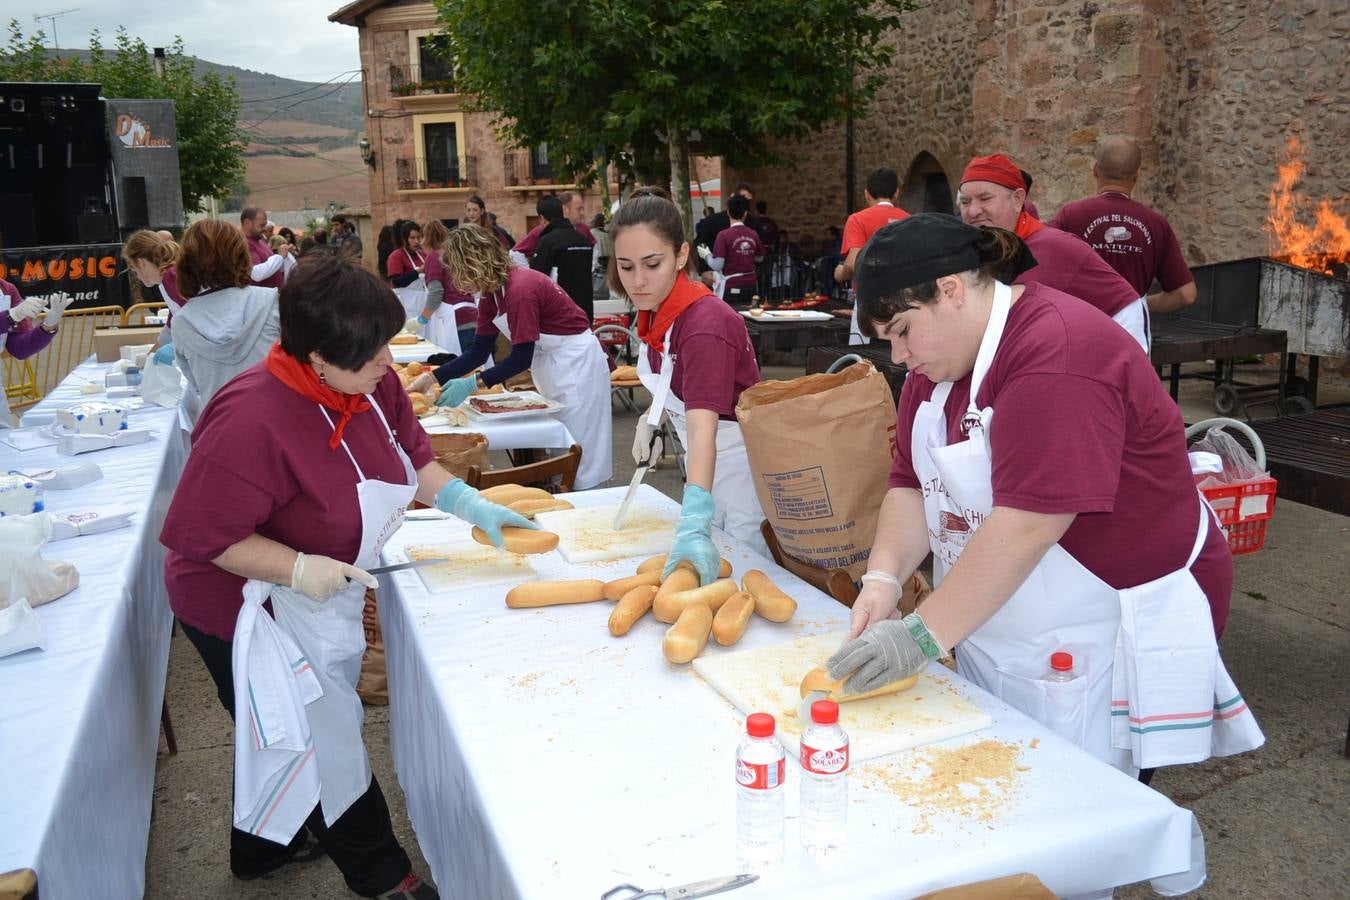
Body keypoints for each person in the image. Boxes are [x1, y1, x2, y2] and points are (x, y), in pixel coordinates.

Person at [832, 213, 1262, 779]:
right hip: (1008, 605)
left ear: (951, 290)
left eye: (903, 332)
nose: (898, 356)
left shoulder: (1057, 354)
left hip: (1108, 616)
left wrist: (921, 635)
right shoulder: (932, 371)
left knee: (1085, 793)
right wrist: (884, 578)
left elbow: (1030, 523)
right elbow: (910, 483)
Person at [160, 253, 534, 897]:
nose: (388, 361)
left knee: (276, 731)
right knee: (320, 738)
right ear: (315, 357)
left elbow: (414, 457)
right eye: (371, 353)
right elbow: (206, 535)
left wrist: (468, 503)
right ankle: (386, 877)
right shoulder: (249, 417)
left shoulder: (374, 383)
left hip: (319, 584)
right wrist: (298, 566)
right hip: (238, 600)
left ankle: (261, 850)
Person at [612, 187, 767, 569]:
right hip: (705, 465)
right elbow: (676, 381)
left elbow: (702, 431)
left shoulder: (703, 326)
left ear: (681, 255)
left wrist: (695, 518)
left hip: (742, 470)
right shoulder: (660, 312)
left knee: (747, 570)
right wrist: (652, 420)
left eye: (652, 264)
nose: (638, 281)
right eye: (626, 267)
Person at [407, 224, 612, 489]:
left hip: (578, 366)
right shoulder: (492, 293)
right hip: (553, 365)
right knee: (559, 451)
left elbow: (520, 359)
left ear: (473, 262)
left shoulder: (520, 289)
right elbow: (479, 351)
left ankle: (586, 499)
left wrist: (472, 383)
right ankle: (565, 493)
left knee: (581, 452)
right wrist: (432, 378)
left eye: (457, 270)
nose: (455, 279)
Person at [957, 154, 1148, 351]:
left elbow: (1125, 304)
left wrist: (1120, 363)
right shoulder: (967, 254)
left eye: (985, 199)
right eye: (965, 202)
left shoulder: (1056, 246)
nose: (972, 211)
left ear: (1017, 199)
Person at [1050, 137, 1197, 314]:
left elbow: (1041, 265)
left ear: (1095, 170)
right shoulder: (1157, 224)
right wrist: (1138, 306)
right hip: (1129, 328)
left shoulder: (1070, 215)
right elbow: (1185, 294)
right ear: (1137, 175)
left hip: (1079, 322)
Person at [165, 219, 281, 415]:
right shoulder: (271, 302)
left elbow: (196, 384)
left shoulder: (182, 322)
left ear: (186, 264)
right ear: (241, 255)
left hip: (219, 421)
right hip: (274, 417)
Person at [835, 166, 910, 344]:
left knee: (865, 358)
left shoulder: (857, 219)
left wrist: (841, 273)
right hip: (905, 305)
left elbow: (853, 264)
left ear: (867, 194)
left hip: (870, 304)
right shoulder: (910, 220)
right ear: (896, 193)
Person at [1, 278, 70, 428]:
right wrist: (10, 316)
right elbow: (11, 317)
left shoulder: (6, 289)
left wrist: (48, 326)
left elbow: (19, 348)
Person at [530, 194, 596, 319]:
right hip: (585, 312)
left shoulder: (547, 241)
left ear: (542, 218)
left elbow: (536, 278)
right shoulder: (583, 240)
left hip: (560, 315)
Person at [418, 219, 478, 353]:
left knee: (458, 363)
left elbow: (436, 292)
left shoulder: (433, 257)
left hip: (456, 321)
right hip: (472, 315)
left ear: (425, 239)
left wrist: (423, 318)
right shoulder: (456, 255)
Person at [701, 194, 764, 304]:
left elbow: (717, 265)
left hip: (732, 286)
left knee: (732, 315)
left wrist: (706, 255)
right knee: (748, 314)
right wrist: (745, 255)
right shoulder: (753, 234)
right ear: (745, 213)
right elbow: (760, 258)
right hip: (752, 286)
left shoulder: (723, 235)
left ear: (728, 212)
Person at [512, 190, 596, 258]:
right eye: (579, 209)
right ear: (564, 209)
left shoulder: (583, 228)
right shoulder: (542, 230)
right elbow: (515, 253)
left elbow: (595, 250)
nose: (582, 213)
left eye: (582, 209)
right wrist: (530, 272)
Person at [240, 207, 290, 289]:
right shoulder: (243, 243)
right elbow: (256, 273)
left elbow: (270, 266)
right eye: (261, 225)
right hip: (261, 296)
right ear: (247, 222)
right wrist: (280, 256)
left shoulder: (260, 240)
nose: (264, 229)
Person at [385, 221, 427, 318]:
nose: (417, 241)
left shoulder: (422, 254)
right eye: (412, 238)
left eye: (418, 237)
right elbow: (396, 282)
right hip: (404, 306)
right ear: (404, 239)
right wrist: (418, 271)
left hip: (421, 304)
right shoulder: (396, 256)